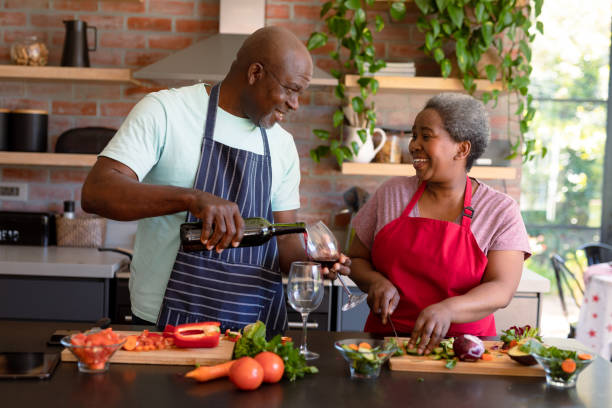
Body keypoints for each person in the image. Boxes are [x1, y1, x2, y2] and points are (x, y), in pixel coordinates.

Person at [81, 26, 350, 335]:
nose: (295, 104)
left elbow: (284, 240)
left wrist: (314, 261)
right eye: (290, 89)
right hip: (165, 323)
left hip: (254, 329)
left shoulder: (282, 145)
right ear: (255, 73)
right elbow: (96, 192)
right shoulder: (166, 112)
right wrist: (191, 198)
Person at [348, 93, 531, 355]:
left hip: (464, 351)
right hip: (387, 344)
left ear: (462, 149)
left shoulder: (499, 210)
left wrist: (449, 309)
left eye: (426, 136)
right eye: (414, 136)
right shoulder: (391, 193)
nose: (413, 145)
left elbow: (501, 288)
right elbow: (356, 259)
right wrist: (374, 281)